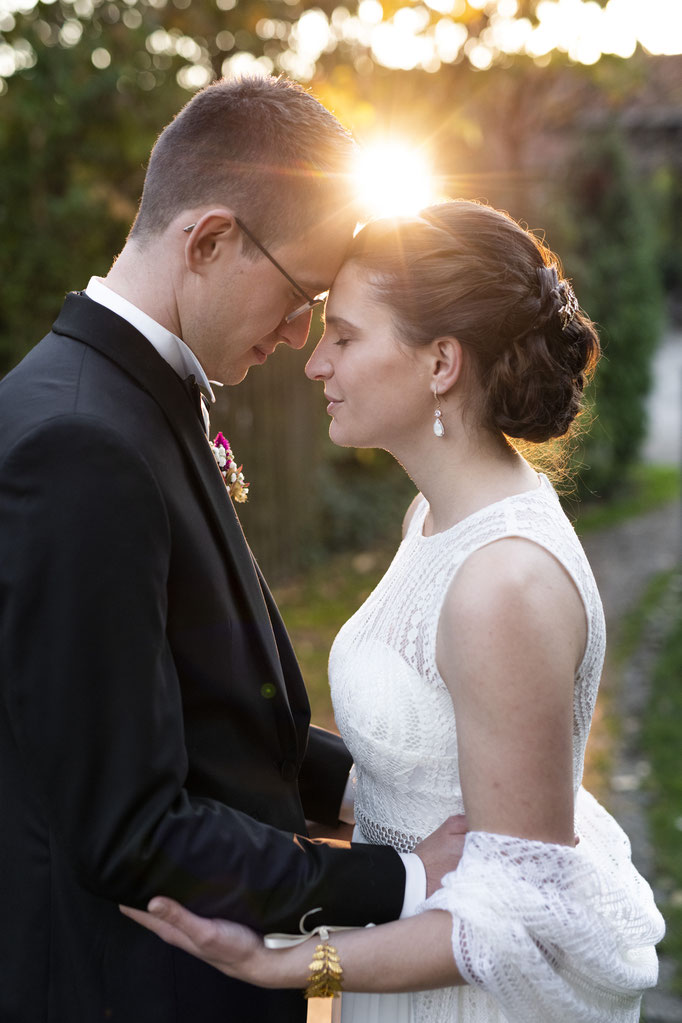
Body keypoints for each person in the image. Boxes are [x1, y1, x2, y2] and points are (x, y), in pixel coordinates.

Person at [122, 200, 665, 1022]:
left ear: (441, 361)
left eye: (345, 336)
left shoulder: (503, 583)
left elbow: (513, 918)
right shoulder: (436, 514)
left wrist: (286, 967)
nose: (315, 364)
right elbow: (437, 759)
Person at [0, 77, 463, 1023]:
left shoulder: (129, 401)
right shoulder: (81, 442)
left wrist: (406, 788)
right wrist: (403, 882)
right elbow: (129, 829)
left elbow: (216, 714)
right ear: (208, 241)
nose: (305, 336)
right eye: (305, 293)